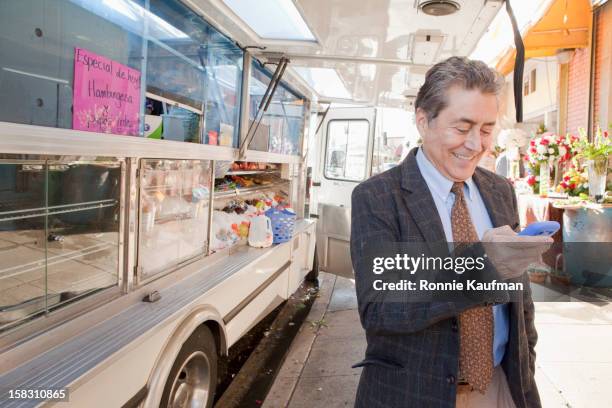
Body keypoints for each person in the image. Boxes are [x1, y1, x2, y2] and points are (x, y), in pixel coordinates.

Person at [350, 57, 551, 408]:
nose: (476, 144)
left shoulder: (500, 189)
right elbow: (380, 308)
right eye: (462, 128)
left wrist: (525, 364)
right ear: (423, 121)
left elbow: (521, 300)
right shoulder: (377, 197)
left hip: (499, 386)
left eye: (487, 129)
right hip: (413, 395)